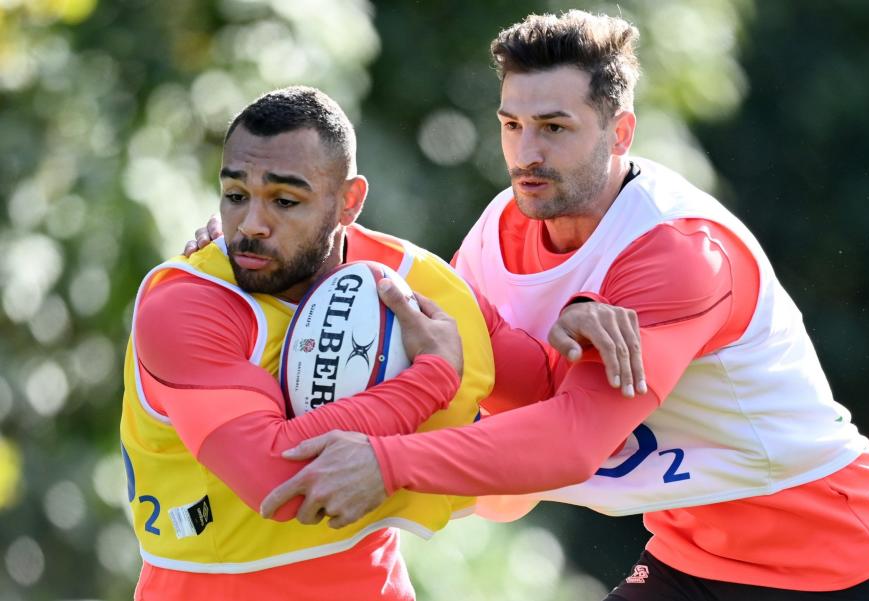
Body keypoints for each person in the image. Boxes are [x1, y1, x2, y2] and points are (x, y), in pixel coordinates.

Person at [259, 11, 869, 600]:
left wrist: (384, 463)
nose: (525, 152)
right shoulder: (496, 243)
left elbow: (570, 441)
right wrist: (237, 251)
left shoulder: (678, 250)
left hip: (851, 564)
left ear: (619, 133)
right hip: (698, 558)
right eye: (512, 124)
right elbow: (507, 481)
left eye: (554, 127)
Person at [121, 86, 642, 600]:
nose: (251, 226)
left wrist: (584, 315)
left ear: (349, 201)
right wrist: (429, 380)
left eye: (284, 200)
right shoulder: (185, 306)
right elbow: (279, 481)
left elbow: (552, 399)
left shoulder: (422, 284)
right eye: (236, 196)